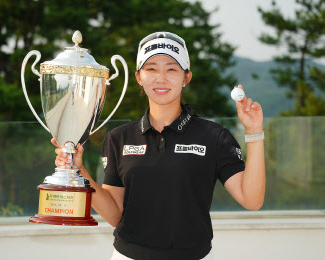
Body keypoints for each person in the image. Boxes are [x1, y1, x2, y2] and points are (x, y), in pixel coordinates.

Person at [52, 32, 265, 260]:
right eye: (151, 69)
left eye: (171, 69)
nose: (161, 78)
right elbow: (116, 215)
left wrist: (254, 132)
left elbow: (251, 200)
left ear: (186, 77)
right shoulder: (118, 138)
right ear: (139, 77)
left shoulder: (213, 136)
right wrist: (79, 172)